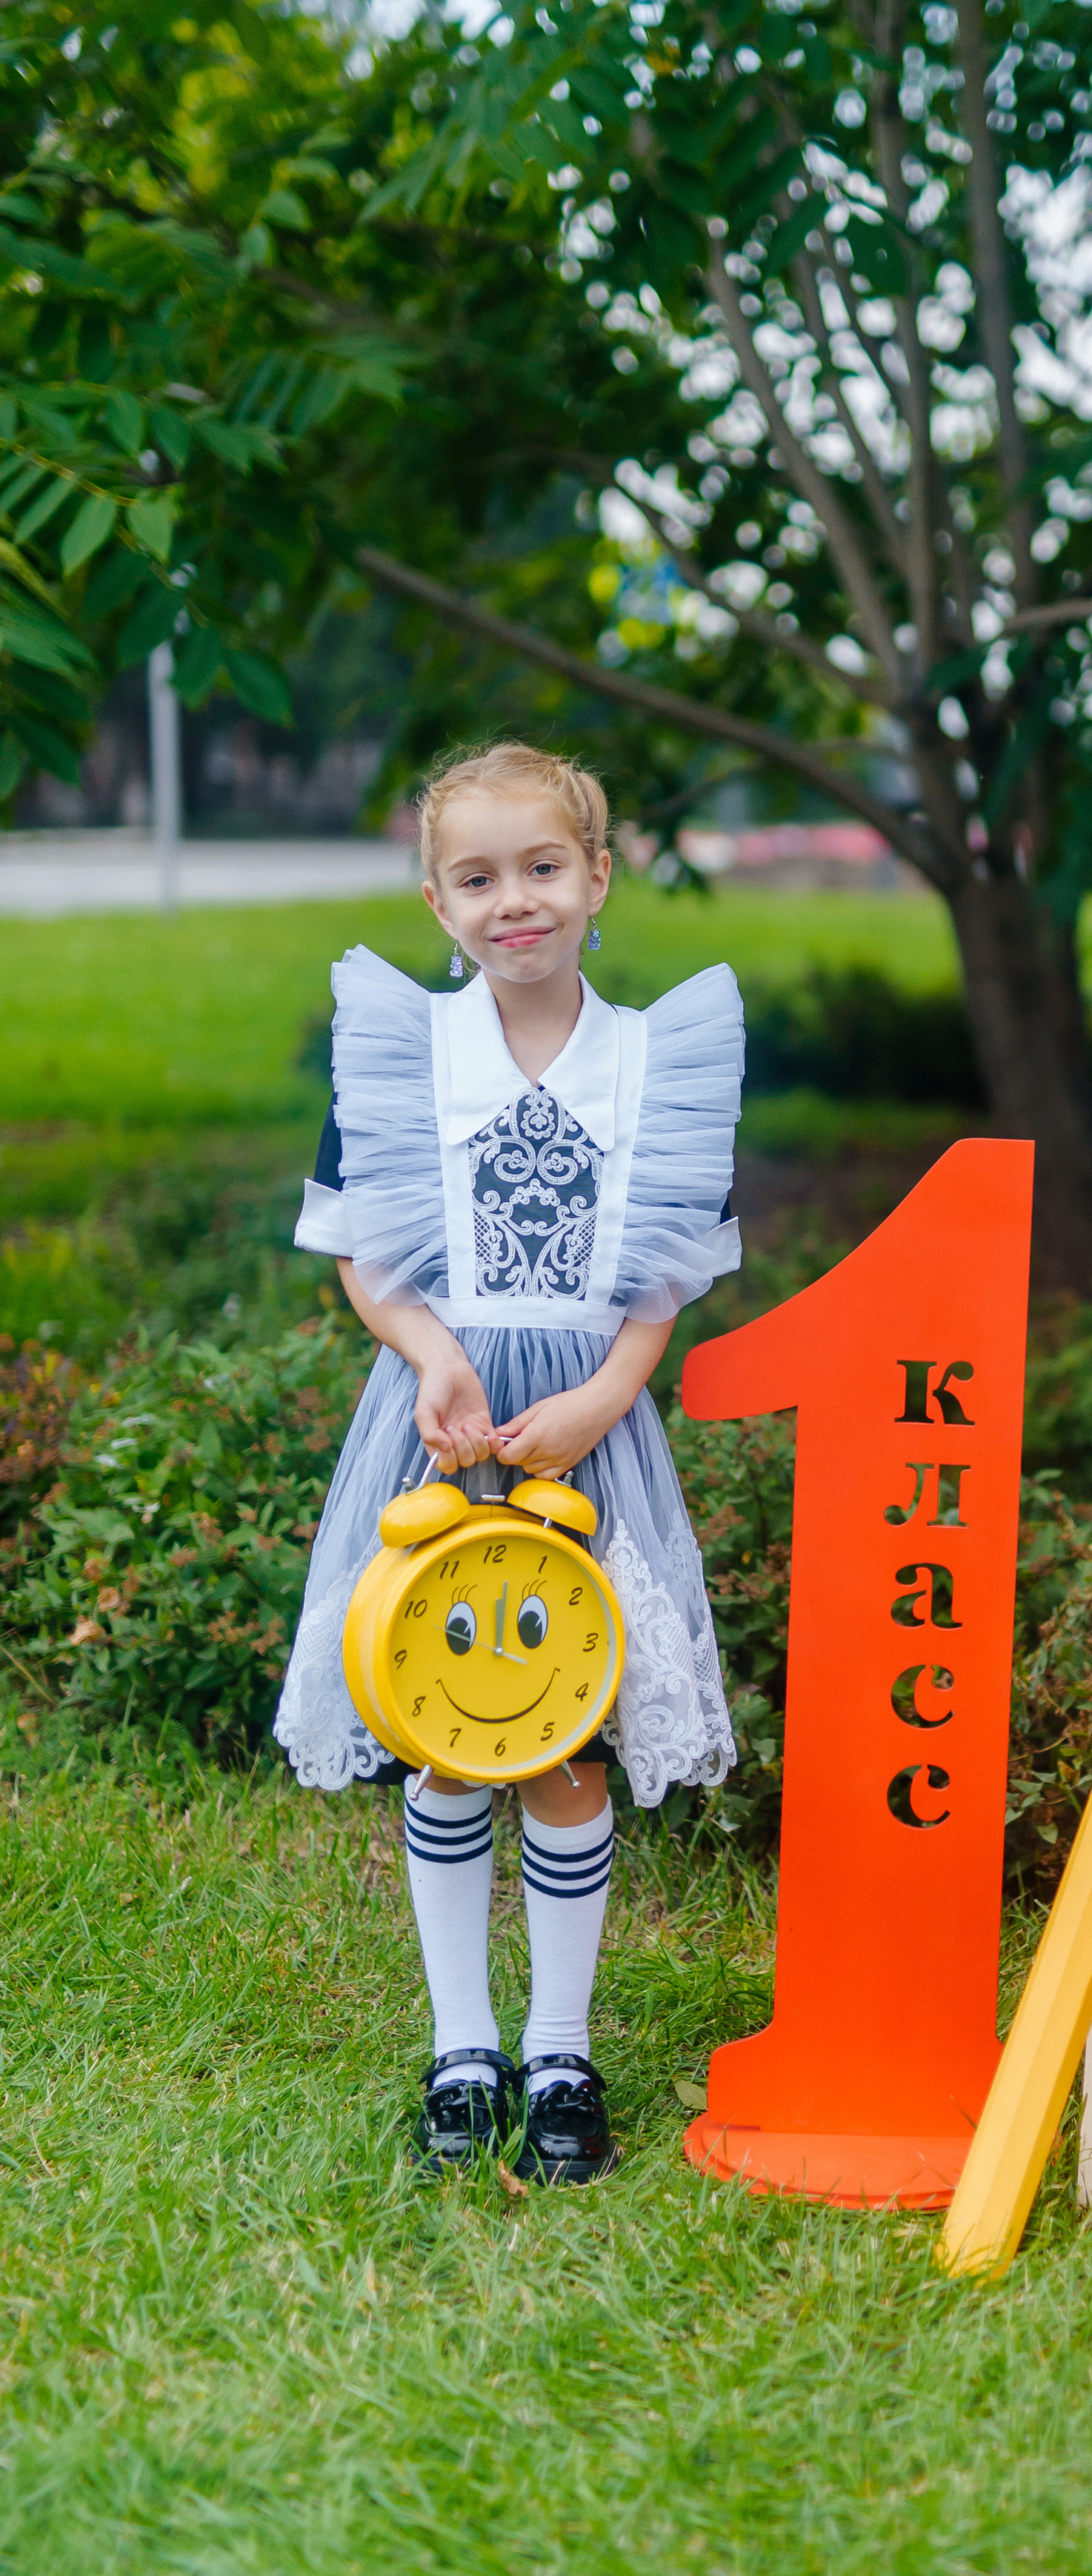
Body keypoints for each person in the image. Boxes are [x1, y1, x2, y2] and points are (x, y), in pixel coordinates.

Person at [276, 741, 743, 2186]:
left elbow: (660, 1283)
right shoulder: (406, 1053)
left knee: (563, 1737)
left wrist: (604, 1396)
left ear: (597, 878)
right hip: (445, 1423)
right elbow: (368, 1257)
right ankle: (459, 2044)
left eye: (542, 867)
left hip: (584, 1439)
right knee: (443, 1731)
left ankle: (559, 2047)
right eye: (477, 878)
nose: (513, 902)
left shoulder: (654, 1062)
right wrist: (431, 1357)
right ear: (436, 900)